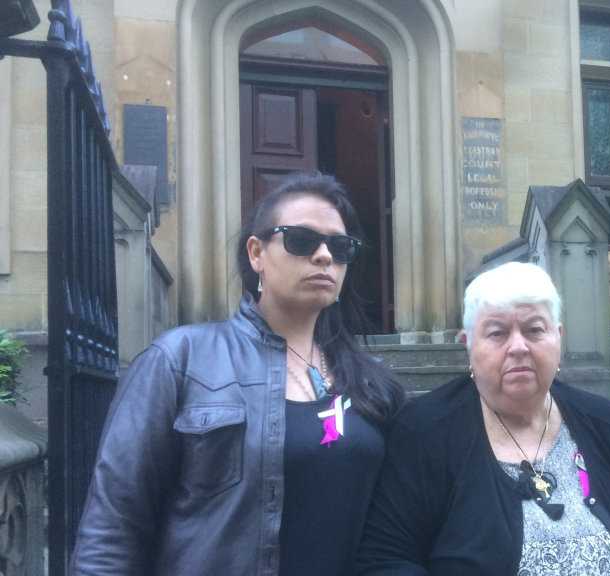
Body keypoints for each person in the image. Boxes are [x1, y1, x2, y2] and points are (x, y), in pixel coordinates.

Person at [72, 172, 405, 575]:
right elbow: (112, 530)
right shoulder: (180, 360)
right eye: (302, 240)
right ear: (256, 253)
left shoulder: (373, 383)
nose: (323, 257)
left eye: (340, 247)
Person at [356, 261, 610, 575]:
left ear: (558, 338)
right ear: (467, 344)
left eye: (534, 330)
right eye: (497, 333)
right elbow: (386, 559)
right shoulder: (424, 431)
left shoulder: (602, 421)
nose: (518, 347)